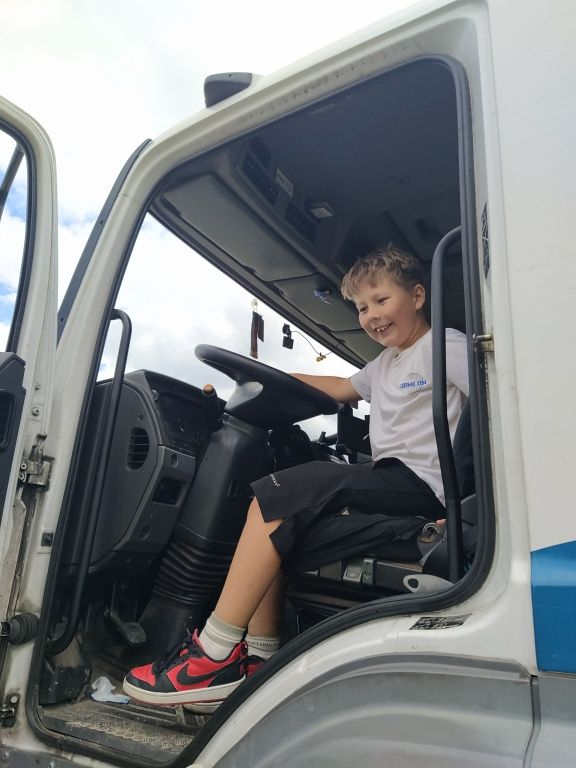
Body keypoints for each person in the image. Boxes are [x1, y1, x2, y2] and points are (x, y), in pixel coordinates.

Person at [123, 244, 469, 710]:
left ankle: (213, 654)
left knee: (286, 492)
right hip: (390, 481)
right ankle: (259, 661)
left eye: (381, 300)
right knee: (278, 519)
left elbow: (498, 404)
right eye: (362, 308)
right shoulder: (385, 364)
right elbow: (341, 387)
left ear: (418, 296)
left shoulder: (445, 346)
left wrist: (471, 507)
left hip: (423, 485)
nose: (371, 315)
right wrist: (269, 377)